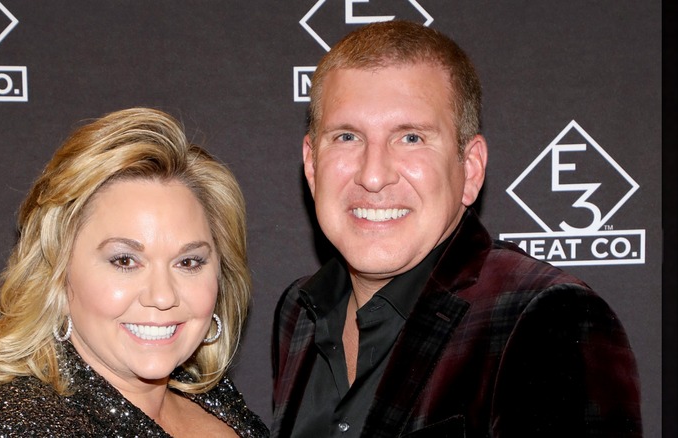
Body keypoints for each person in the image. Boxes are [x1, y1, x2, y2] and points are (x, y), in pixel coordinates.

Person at [271, 20, 641, 437]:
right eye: (347, 137)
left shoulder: (547, 319)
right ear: (312, 164)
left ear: (470, 168)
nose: (373, 176)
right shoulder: (298, 313)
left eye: (410, 138)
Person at [0, 108, 269, 437]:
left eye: (188, 262)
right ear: (57, 275)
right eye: (124, 261)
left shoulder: (215, 402)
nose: (162, 296)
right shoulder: (24, 429)